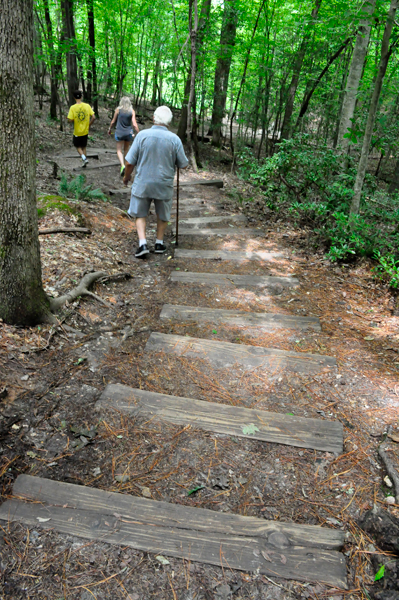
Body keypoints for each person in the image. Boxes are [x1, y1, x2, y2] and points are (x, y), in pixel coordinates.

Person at [123, 105, 189, 258]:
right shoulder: (175, 139)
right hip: (163, 183)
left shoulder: (142, 136)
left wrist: (127, 177)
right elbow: (184, 164)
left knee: (140, 213)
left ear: (154, 118)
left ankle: (143, 243)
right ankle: (159, 243)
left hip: (143, 183)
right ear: (169, 122)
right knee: (163, 214)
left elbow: (129, 162)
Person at [108, 96, 139, 177]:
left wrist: (110, 129)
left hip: (119, 133)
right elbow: (134, 124)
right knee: (126, 150)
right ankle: (126, 166)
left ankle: (122, 165)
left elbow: (113, 122)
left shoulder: (118, 110)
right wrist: (139, 133)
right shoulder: (132, 111)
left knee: (119, 150)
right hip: (128, 133)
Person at [67, 90, 95, 167]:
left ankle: (84, 158)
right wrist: (89, 125)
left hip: (77, 131)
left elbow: (69, 119)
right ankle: (84, 163)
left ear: (74, 97)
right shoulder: (87, 106)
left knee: (77, 146)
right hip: (85, 131)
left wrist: (72, 120)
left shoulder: (73, 108)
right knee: (84, 146)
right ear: (81, 97)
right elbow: (93, 117)